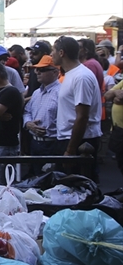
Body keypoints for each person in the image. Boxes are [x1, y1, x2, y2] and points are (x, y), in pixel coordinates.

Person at [53, 36, 102, 181]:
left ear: (61, 53)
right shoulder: (71, 74)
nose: (51, 55)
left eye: (53, 51)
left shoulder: (81, 76)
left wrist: (70, 150)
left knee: (78, 189)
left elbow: (82, 116)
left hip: (80, 141)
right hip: (68, 138)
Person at [23, 55, 62, 177]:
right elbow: (27, 111)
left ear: (55, 72)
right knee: (36, 177)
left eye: (43, 70)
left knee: (51, 180)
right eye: (36, 69)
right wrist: (28, 124)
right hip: (35, 143)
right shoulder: (36, 93)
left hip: (53, 144)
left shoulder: (60, 93)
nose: (37, 72)